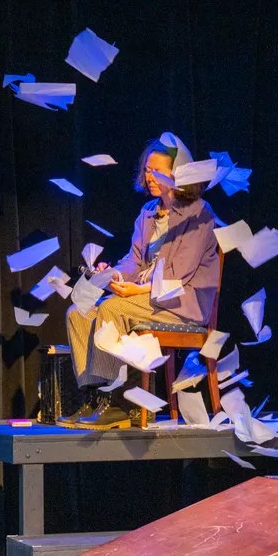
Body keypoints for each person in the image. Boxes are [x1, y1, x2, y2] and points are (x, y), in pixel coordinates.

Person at [57, 133, 219, 430]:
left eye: (158, 171)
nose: (150, 177)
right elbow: (134, 261)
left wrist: (135, 290)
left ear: (178, 174)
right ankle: (95, 397)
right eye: (147, 170)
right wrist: (115, 274)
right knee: (79, 312)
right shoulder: (147, 213)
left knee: (112, 309)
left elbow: (178, 276)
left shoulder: (199, 213)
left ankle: (120, 403)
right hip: (146, 297)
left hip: (182, 302)